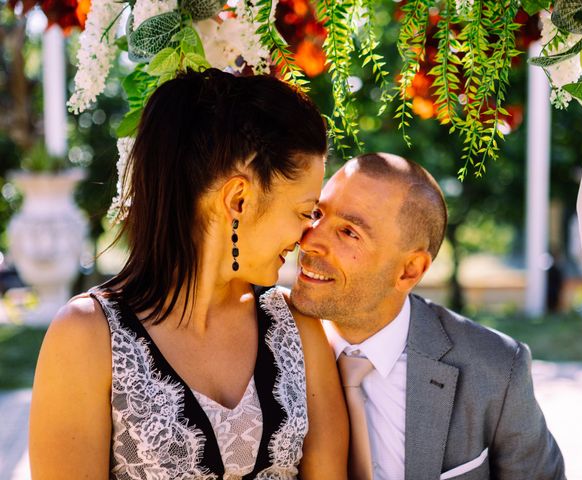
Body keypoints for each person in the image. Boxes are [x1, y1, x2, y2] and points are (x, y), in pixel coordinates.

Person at [29, 68, 348, 479]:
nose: (307, 236)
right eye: (305, 212)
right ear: (238, 198)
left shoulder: (297, 325)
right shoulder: (87, 337)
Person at [290, 153, 565, 479]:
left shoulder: (496, 370)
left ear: (409, 270)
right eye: (317, 213)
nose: (310, 241)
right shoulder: (262, 339)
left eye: (349, 232)